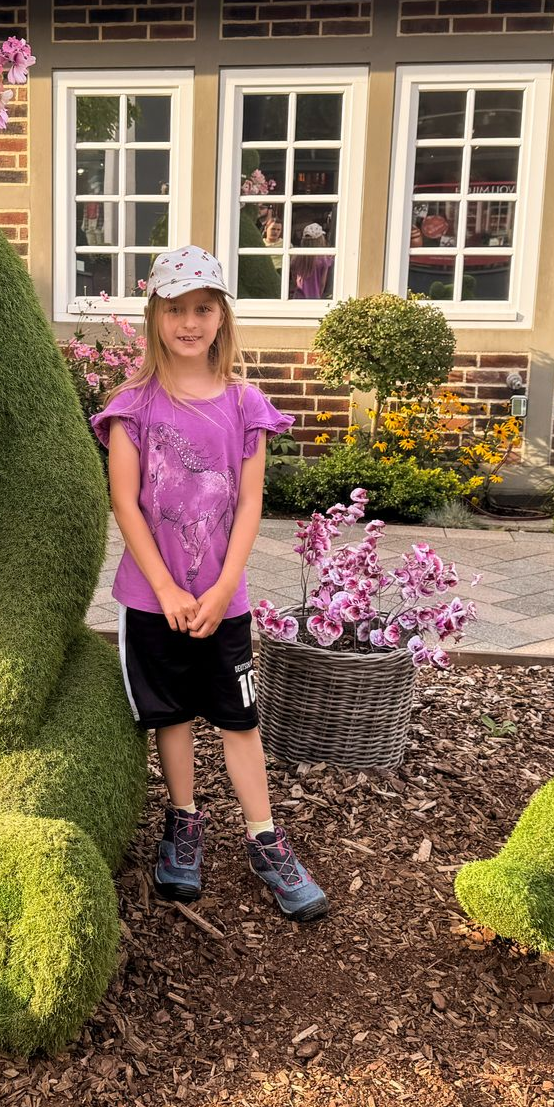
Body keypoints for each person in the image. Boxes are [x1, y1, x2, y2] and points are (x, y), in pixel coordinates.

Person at [91, 247, 329, 921]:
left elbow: (250, 505)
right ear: (155, 317)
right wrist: (167, 589)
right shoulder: (131, 409)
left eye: (203, 308)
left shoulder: (245, 404)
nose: (190, 322)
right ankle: (184, 823)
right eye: (176, 309)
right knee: (172, 715)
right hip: (152, 601)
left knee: (237, 718)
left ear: (222, 316)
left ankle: (265, 838)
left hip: (225, 601)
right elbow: (128, 503)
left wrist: (224, 589)